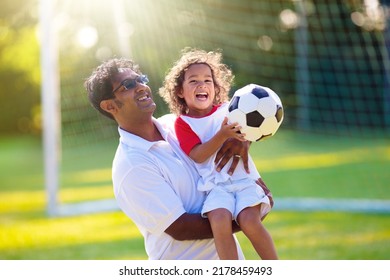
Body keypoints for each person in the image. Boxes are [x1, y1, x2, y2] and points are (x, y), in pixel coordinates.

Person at [84, 57, 273, 260]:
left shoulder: (176, 125)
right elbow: (181, 228)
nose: (141, 87)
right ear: (110, 106)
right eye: (128, 85)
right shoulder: (131, 165)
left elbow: (226, 129)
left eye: (140, 79)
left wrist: (242, 141)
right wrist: (249, 215)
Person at [159, 48, 278, 260]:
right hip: (214, 186)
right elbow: (197, 155)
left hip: (244, 180)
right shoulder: (183, 123)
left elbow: (249, 131)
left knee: (249, 221)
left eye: (208, 80)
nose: (202, 85)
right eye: (193, 81)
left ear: (216, 88)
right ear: (179, 92)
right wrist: (222, 135)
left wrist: (246, 141)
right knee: (219, 221)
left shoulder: (230, 109)